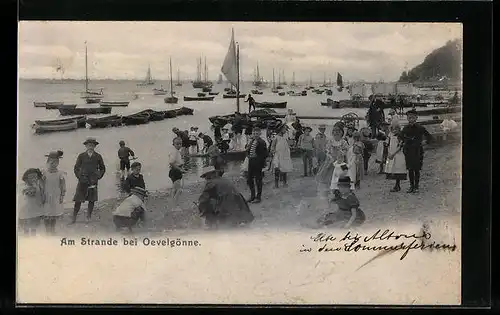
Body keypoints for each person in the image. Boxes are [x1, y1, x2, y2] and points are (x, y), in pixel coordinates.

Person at [70, 137, 106, 224]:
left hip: (93, 181)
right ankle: (74, 217)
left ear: (95, 146)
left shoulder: (98, 156)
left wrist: (98, 176)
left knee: (91, 199)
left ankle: (88, 217)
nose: (90, 147)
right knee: (78, 199)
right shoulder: (81, 156)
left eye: (92, 145)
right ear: (86, 146)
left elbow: (102, 168)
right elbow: (76, 168)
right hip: (83, 180)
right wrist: (79, 177)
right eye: (89, 145)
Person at [400, 109, 433, 193]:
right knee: (410, 169)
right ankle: (411, 186)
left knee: (417, 169)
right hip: (408, 151)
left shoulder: (420, 128)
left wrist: (424, 142)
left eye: (412, 117)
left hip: (417, 151)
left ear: (416, 118)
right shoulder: (405, 128)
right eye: (409, 117)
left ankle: (416, 186)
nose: (410, 118)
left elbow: (429, 137)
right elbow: (400, 136)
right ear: (407, 118)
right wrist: (403, 141)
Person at [42, 150, 66, 235]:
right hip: (47, 195)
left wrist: (62, 196)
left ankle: (52, 229)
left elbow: (63, 185)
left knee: (54, 213)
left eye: (56, 162)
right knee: (47, 213)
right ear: (48, 162)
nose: (53, 164)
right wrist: (42, 195)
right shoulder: (44, 173)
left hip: (56, 195)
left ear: (58, 163)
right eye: (51, 162)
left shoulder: (60, 173)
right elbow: (41, 184)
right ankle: (47, 230)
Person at [18, 168, 45, 236]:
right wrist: (34, 186)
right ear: (26, 179)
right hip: (26, 210)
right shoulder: (25, 187)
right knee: (26, 225)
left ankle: (33, 236)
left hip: (35, 209)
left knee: (34, 224)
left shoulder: (39, 186)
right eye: (31, 177)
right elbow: (31, 193)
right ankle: (26, 235)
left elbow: (42, 195)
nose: (33, 179)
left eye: (35, 177)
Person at [245, 127, 268, 203]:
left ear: (260, 134)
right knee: (249, 179)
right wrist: (248, 155)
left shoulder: (262, 142)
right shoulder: (252, 141)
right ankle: (252, 196)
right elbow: (248, 150)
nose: (255, 135)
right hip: (251, 162)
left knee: (258, 180)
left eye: (257, 133)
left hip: (258, 163)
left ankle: (258, 197)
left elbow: (265, 154)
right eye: (254, 133)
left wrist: (260, 162)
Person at [385, 123, 407, 192]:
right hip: (391, 154)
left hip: (398, 155)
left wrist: (393, 154)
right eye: (392, 129)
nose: (394, 130)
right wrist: (389, 153)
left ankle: (397, 185)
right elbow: (388, 145)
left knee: (398, 170)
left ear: (399, 129)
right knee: (393, 169)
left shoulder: (400, 136)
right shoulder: (390, 136)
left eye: (396, 129)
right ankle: (396, 185)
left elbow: (400, 147)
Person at [168, 137, 185, 211]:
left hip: (175, 170)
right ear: (173, 144)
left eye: (180, 144)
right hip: (175, 171)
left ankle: (174, 205)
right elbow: (171, 162)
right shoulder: (174, 152)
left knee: (175, 189)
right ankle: (174, 207)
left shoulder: (176, 151)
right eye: (177, 144)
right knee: (178, 190)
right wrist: (180, 169)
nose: (179, 145)